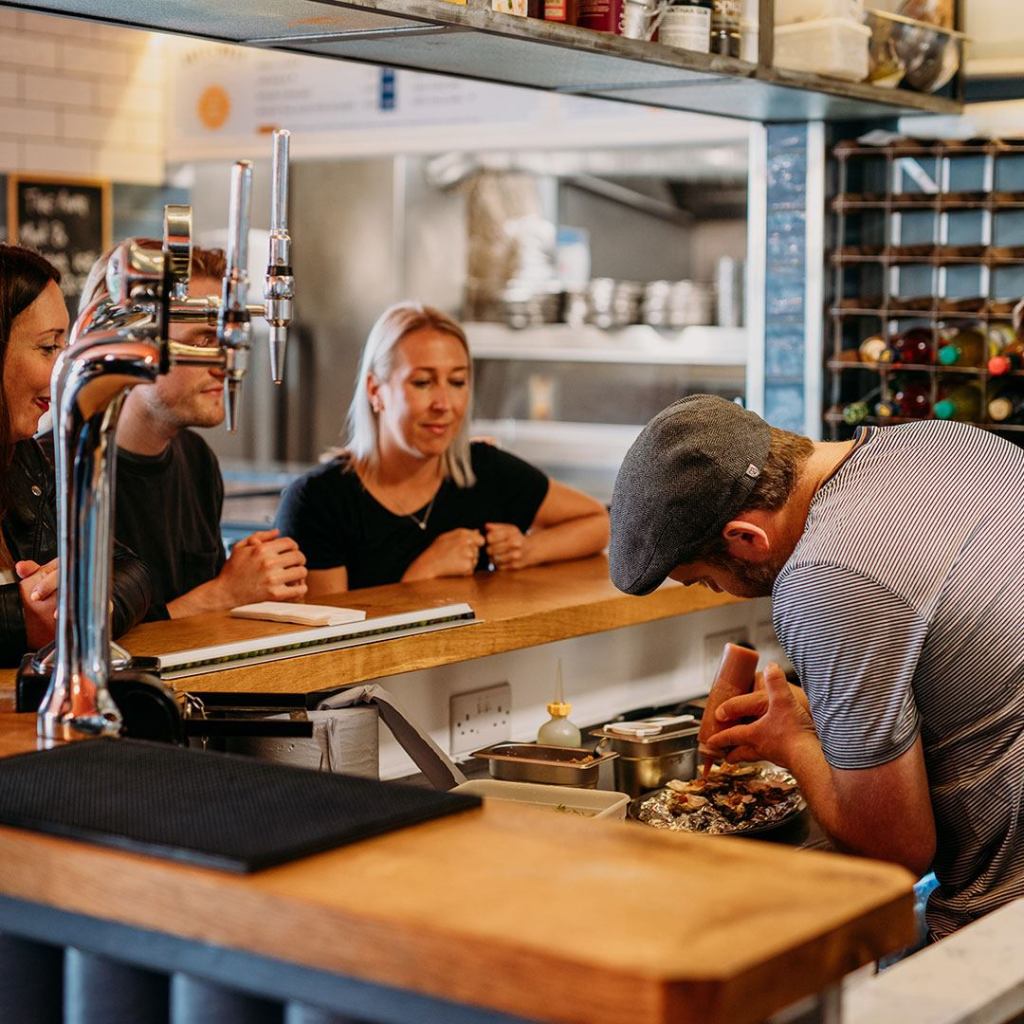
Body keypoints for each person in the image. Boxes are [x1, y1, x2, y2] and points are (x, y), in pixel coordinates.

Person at [608, 393, 1024, 940]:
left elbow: (894, 854)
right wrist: (817, 716)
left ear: (745, 539)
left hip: (1004, 923)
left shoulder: (825, 578)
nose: (722, 592)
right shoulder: (944, 444)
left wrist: (794, 741)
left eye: (708, 580)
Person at [276, 302, 609, 593]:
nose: (444, 403)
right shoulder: (317, 501)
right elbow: (329, 644)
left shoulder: (485, 470)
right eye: (422, 382)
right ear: (376, 390)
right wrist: (423, 573)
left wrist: (527, 549)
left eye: (457, 382)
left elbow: (599, 522)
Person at [69, 242, 307, 620]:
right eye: (203, 341)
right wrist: (225, 592)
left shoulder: (196, 459)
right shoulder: (58, 466)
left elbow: (203, 624)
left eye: (224, 342)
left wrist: (255, 585)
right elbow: (78, 633)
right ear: (132, 343)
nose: (222, 364)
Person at [0, 244, 151, 665]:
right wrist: (22, 621)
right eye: (49, 348)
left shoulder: (24, 461)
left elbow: (130, 568)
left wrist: (88, 603)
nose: (64, 368)